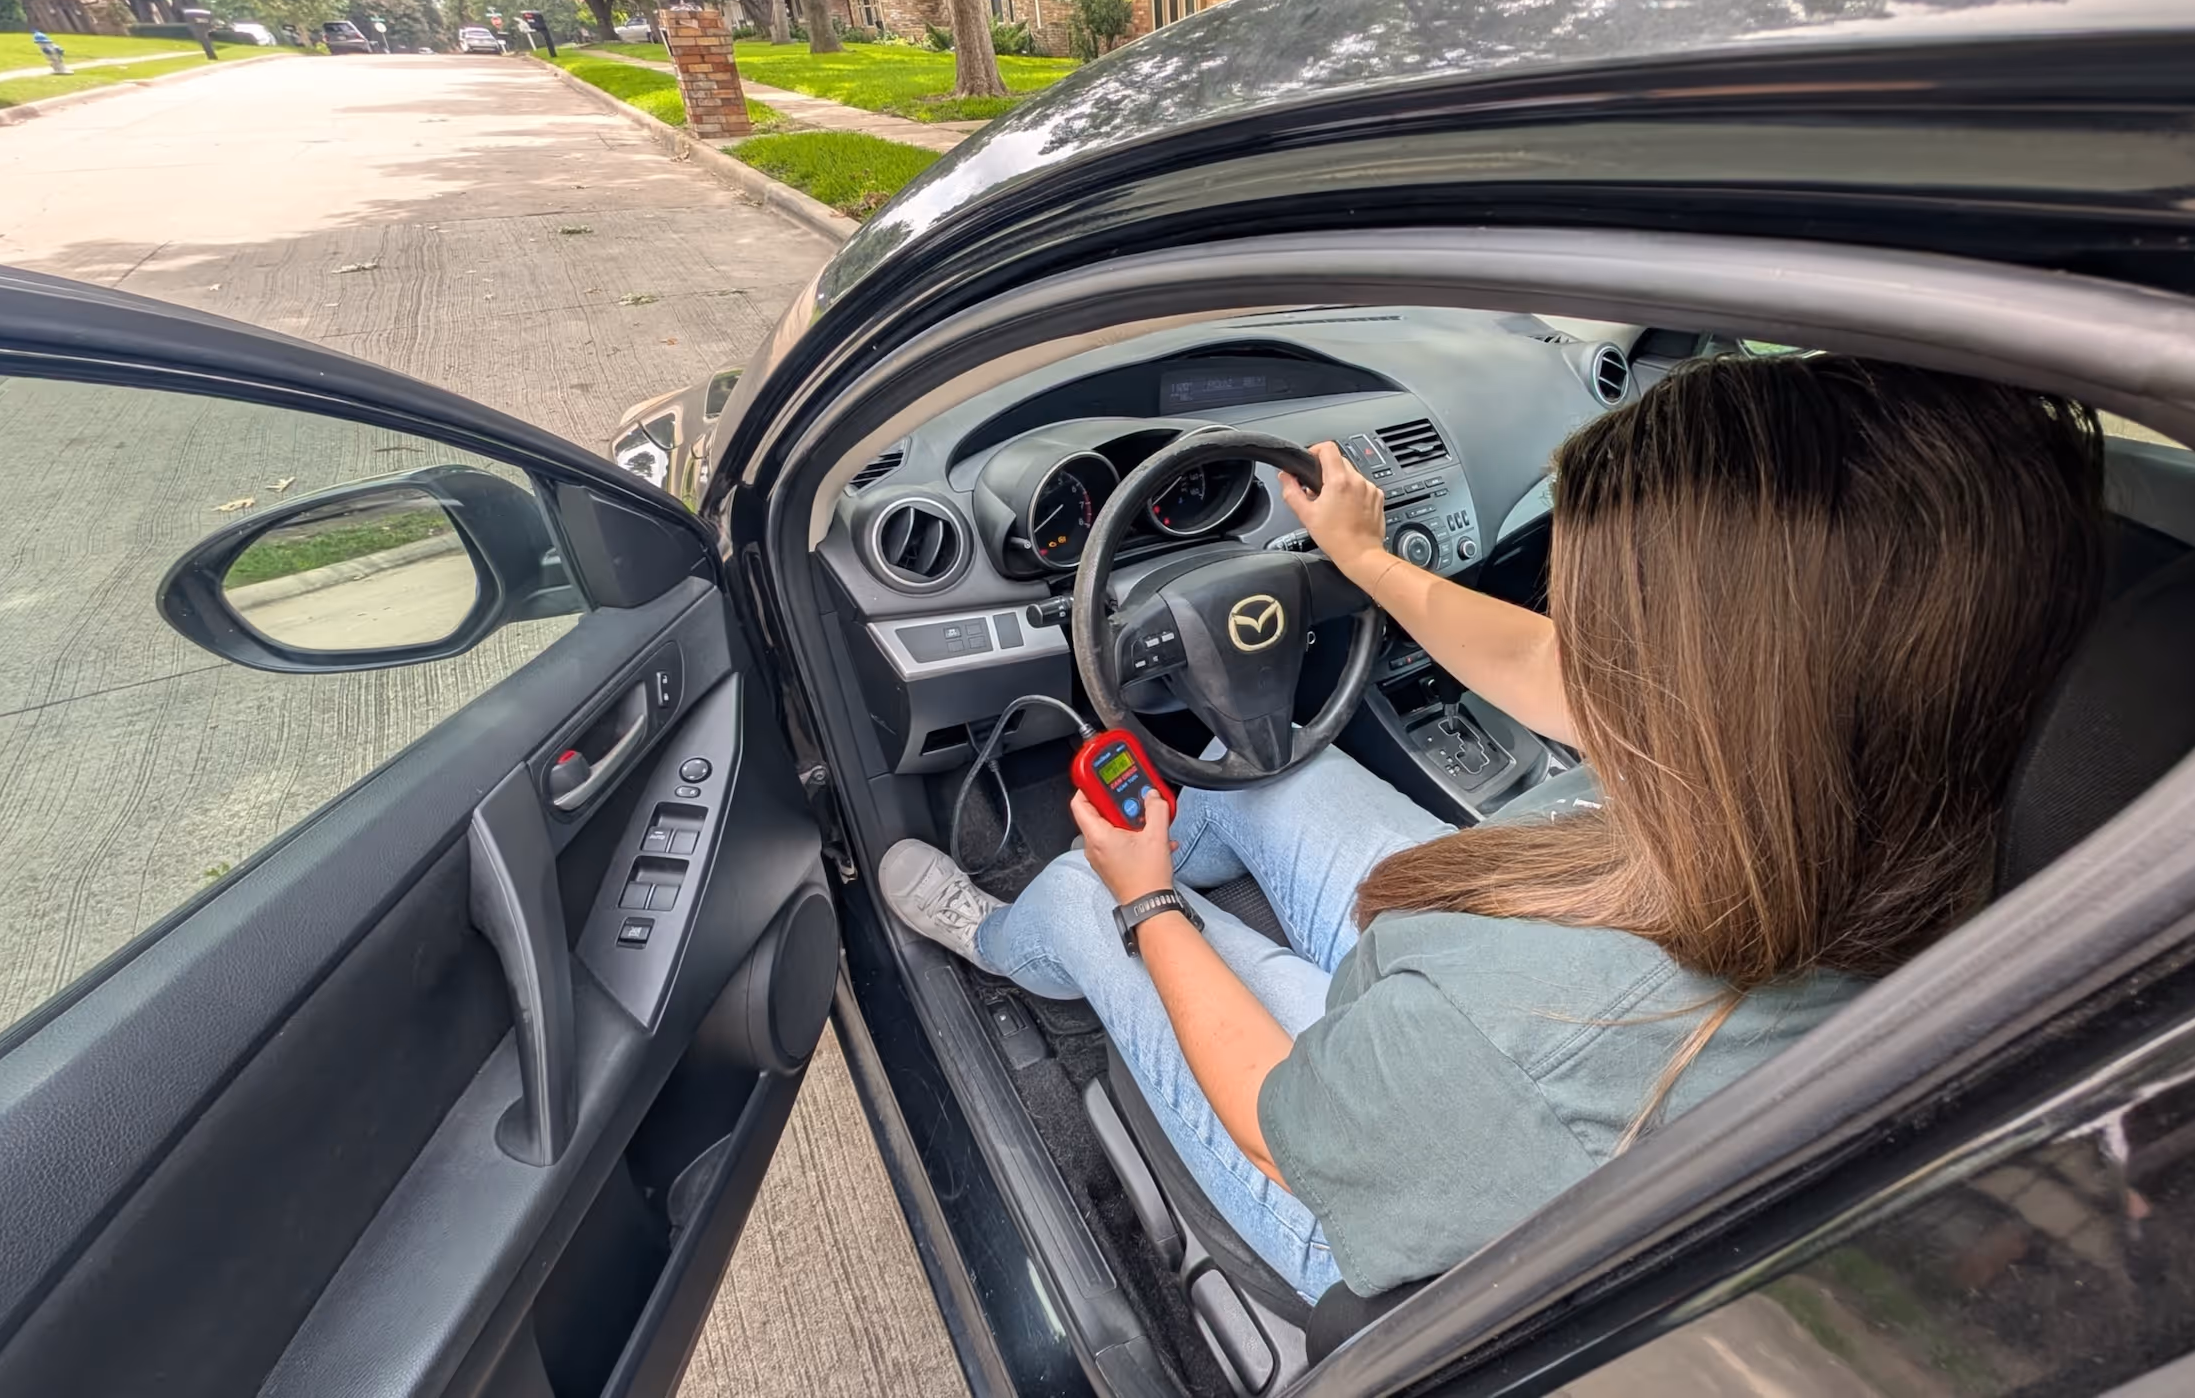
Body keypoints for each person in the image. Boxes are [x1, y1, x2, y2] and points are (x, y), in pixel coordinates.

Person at [878, 353, 2108, 1303]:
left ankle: (1014, 932)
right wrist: (1360, 561)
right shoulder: (1892, 765)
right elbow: (1556, 667)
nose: (1578, 641)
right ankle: (1159, 874)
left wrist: (1148, 898)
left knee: (1108, 905)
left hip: (1358, 1159)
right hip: (1473, 1005)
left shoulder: (1545, 1033)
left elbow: (1272, 1113)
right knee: (1264, 780)